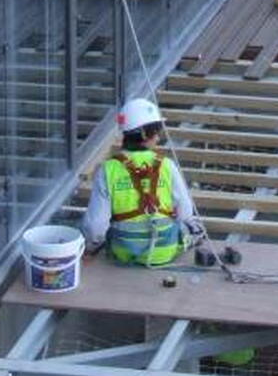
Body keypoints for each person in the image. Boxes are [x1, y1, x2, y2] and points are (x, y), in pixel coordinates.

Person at [82, 97, 204, 267]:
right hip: (165, 251)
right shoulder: (166, 165)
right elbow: (185, 213)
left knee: (85, 224)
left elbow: (95, 227)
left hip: (123, 252)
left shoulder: (107, 169)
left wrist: (92, 245)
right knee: (195, 226)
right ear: (145, 134)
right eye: (156, 132)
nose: (158, 139)